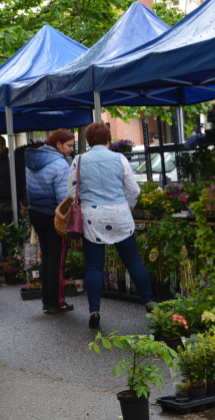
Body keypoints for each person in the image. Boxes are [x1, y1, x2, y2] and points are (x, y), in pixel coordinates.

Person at [68, 122, 153, 329]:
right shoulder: (119, 158)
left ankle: (94, 311)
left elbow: (71, 193)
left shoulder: (78, 160)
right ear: (108, 139)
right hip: (119, 215)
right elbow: (133, 191)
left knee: (94, 267)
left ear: (87, 140)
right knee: (133, 261)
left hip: (92, 217)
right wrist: (128, 207)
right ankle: (149, 302)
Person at [25, 129, 74, 315]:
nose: (71, 149)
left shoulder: (32, 160)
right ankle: (56, 302)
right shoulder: (60, 164)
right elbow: (64, 198)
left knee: (47, 258)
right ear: (58, 145)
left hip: (35, 213)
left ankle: (47, 300)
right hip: (54, 217)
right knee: (58, 260)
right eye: (69, 145)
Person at [0, 135, 27, 259]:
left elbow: (24, 181)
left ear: (4, 146)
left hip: (17, 203)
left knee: (20, 235)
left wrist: (25, 203)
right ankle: (6, 261)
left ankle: (21, 260)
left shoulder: (16, 160)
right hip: (0, 204)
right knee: (2, 236)